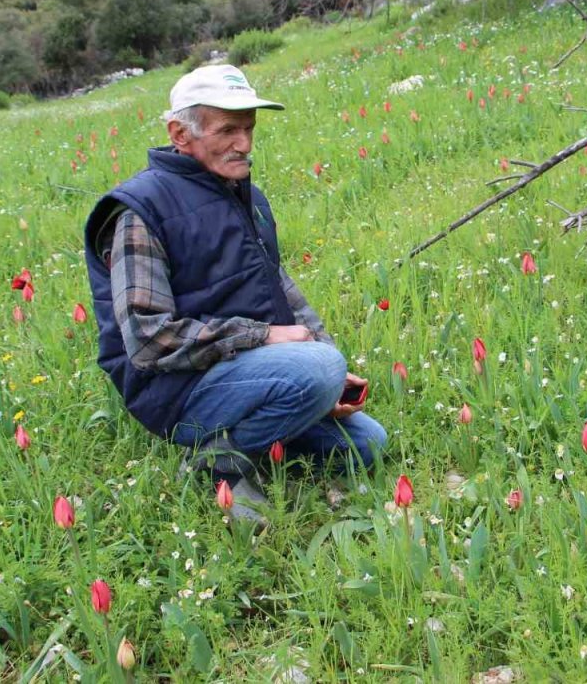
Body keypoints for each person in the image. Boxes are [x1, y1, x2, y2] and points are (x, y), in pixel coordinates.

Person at [84, 64, 387, 523]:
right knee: (319, 370)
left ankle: (242, 438)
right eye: (227, 130)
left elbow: (279, 286)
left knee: (367, 442)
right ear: (180, 134)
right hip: (178, 390)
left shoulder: (243, 194)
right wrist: (268, 340)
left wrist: (324, 360)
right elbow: (147, 341)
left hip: (242, 373)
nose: (244, 144)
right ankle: (213, 462)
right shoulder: (140, 212)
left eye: (248, 128)